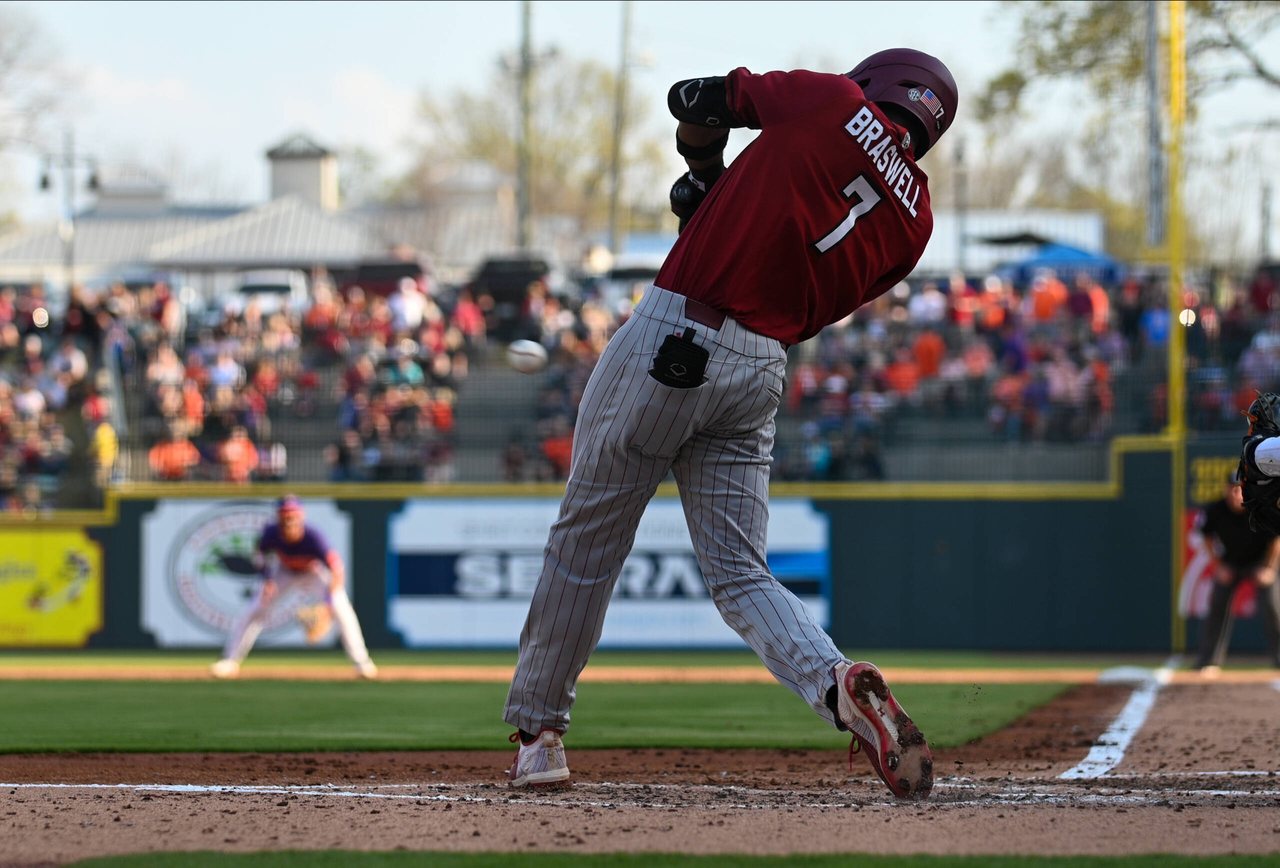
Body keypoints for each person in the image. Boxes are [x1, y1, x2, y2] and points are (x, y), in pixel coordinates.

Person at [502, 49, 956, 799]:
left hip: (678, 332)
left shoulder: (832, 98)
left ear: (880, 81)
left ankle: (540, 736)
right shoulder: (917, 222)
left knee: (586, 543)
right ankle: (837, 680)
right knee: (741, 571)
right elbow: (807, 276)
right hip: (760, 369)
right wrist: (714, 203)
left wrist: (704, 168)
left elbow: (696, 97)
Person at [211, 496, 377, 679]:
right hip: (283, 572)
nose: (289, 521)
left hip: (312, 572)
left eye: (293, 517)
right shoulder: (271, 533)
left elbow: (337, 569)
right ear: (279, 518)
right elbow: (259, 554)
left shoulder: (314, 537)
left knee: (342, 609)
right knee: (255, 609)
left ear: (301, 518)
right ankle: (230, 661)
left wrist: (329, 601)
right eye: (285, 517)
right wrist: (266, 579)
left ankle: (362, 662)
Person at [1193, 472, 1280, 674]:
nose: (1235, 493)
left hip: (1260, 563)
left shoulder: (1260, 507)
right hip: (1231, 563)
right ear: (1225, 490)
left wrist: (1268, 569)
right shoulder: (1216, 509)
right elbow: (1205, 537)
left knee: (1272, 606)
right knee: (1217, 605)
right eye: (1231, 488)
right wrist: (1218, 567)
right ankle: (1208, 661)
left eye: (1240, 488)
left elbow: (1276, 540)